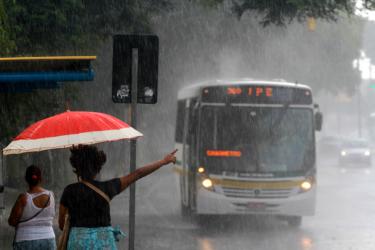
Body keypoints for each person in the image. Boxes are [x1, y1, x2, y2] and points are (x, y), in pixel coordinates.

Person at [59, 144, 177, 250]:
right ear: (98, 167)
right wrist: (163, 161)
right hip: (104, 243)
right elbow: (138, 173)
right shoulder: (108, 188)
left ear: (76, 168)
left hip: (78, 243)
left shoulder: (69, 191)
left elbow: (61, 224)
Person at [8, 165, 56, 250]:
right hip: (48, 239)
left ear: (26, 179)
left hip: (25, 240)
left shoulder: (23, 198)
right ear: (40, 178)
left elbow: (12, 221)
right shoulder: (50, 195)